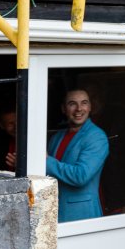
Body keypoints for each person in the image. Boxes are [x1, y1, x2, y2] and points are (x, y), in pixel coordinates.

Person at [46, 88, 109, 222]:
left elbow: (81, 176)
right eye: (72, 104)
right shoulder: (56, 137)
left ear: (90, 107)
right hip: (54, 212)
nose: (79, 109)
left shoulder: (96, 137)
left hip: (82, 215)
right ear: (64, 109)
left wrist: (45, 161)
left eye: (84, 103)